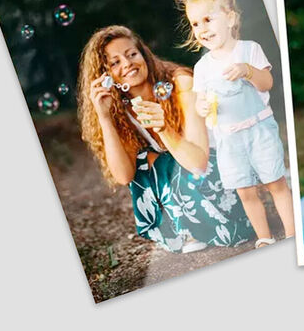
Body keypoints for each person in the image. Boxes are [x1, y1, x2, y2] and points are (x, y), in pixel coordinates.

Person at [78, 25, 254, 253]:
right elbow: (124, 176)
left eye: (132, 54)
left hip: (220, 179)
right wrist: (104, 118)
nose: (127, 64)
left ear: (144, 54)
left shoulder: (181, 83)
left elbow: (199, 162)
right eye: (114, 62)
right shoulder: (120, 111)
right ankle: (185, 228)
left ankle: (192, 228)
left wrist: (163, 129)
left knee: (162, 159)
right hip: (187, 192)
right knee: (144, 160)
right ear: (105, 75)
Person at [181, 0, 295, 247]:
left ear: (230, 19)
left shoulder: (249, 50)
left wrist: (247, 70)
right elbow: (200, 104)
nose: (201, 29)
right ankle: (265, 238)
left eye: (208, 19)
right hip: (228, 140)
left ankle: (291, 234)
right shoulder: (201, 67)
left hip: (258, 130)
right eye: (195, 24)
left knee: (275, 183)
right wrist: (201, 108)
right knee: (245, 191)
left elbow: (267, 83)